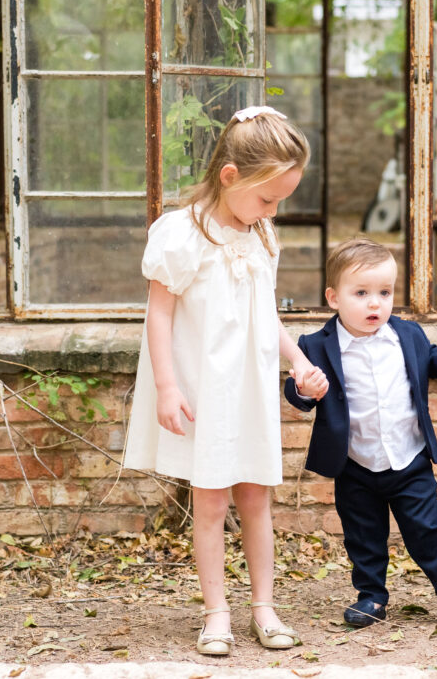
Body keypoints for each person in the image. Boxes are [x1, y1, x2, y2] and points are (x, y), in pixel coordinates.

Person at [123, 106, 330, 656]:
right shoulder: (181, 234)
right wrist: (168, 386)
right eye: (268, 198)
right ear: (230, 177)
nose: (274, 209)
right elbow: (159, 316)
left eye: (282, 199)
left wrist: (298, 361)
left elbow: (264, 315)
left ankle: (264, 606)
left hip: (251, 389)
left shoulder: (261, 234)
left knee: (257, 499)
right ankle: (217, 613)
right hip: (206, 391)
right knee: (211, 503)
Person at [283, 238, 437, 629]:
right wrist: (305, 389)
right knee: (363, 536)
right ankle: (371, 596)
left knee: (427, 529)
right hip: (355, 463)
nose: (375, 303)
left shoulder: (406, 335)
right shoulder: (315, 346)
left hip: (408, 458)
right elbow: (296, 388)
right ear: (333, 297)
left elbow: (431, 357)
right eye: (361, 293)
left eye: (384, 293)